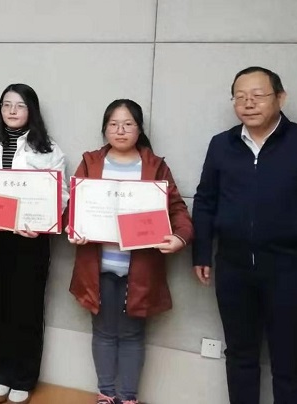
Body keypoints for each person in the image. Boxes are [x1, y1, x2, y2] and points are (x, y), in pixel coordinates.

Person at [192, 66, 297, 404]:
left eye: (258, 95)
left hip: (292, 270)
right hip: (233, 268)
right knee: (239, 355)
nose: (248, 103)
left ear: (280, 98)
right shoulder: (221, 145)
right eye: (240, 97)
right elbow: (205, 201)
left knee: (291, 361)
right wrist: (201, 252)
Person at [68, 99, 192, 404]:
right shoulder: (91, 162)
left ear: (139, 129)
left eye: (128, 124)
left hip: (140, 268)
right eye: (113, 124)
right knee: (103, 332)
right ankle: (105, 393)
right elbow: (74, 206)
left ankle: (128, 397)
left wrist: (180, 237)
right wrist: (73, 227)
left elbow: (177, 208)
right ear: (105, 129)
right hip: (97, 266)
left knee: (133, 334)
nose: (120, 130)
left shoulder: (155, 165)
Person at [0, 83, 66, 404]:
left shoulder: (48, 148)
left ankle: (24, 377)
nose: (12, 110)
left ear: (31, 110)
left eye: (20, 105)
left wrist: (41, 222)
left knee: (28, 307)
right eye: (6, 104)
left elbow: (61, 195)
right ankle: (0, 374)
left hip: (30, 240)